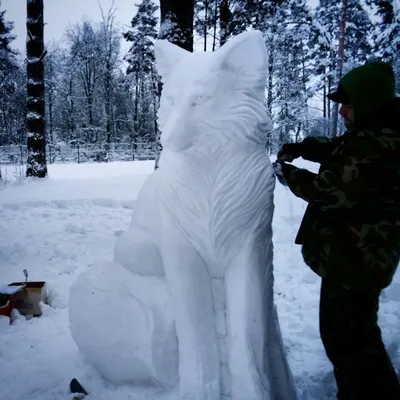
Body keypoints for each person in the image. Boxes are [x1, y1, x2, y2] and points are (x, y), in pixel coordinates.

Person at [273, 60, 400, 399]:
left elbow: (332, 190)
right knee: (348, 338)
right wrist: (304, 148)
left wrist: (289, 174)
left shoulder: (381, 145)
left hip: (359, 261)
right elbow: (340, 151)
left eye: (348, 104)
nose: (342, 110)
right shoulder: (371, 134)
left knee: (352, 343)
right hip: (351, 256)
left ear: (369, 104)